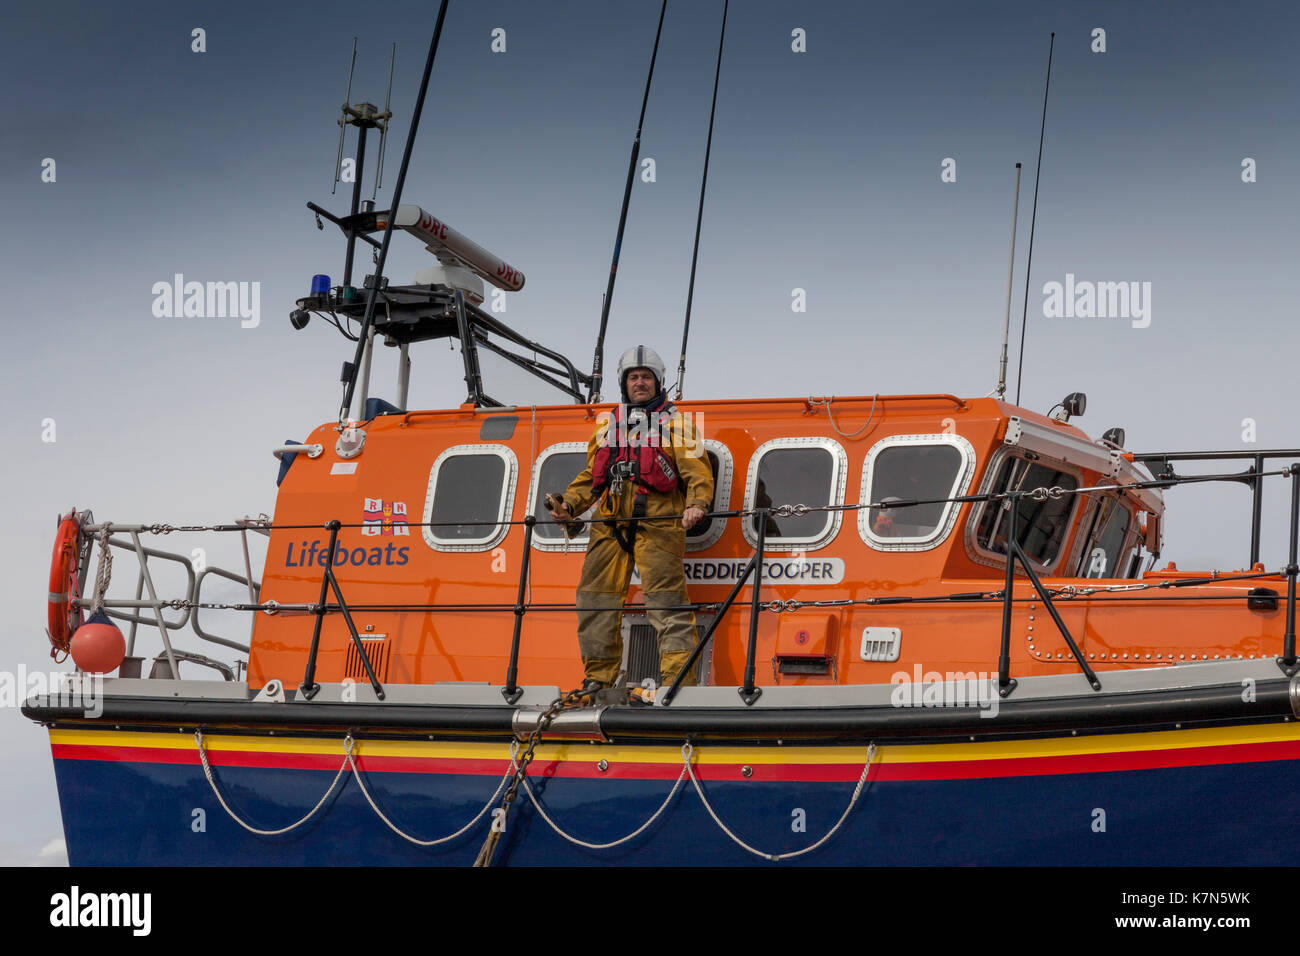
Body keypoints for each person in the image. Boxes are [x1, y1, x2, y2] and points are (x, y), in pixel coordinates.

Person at [547, 345, 714, 700]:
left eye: (646, 377)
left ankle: (678, 684)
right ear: (624, 383)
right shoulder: (608, 424)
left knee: (667, 605)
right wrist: (569, 506)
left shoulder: (677, 423)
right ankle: (599, 681)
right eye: (634, 377)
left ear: (658, 382)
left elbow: (698, 470)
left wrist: (697, 504)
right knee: (595, 602)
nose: (640, 383)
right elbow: (592, 476)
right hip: (608, 524)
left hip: (659, 524)